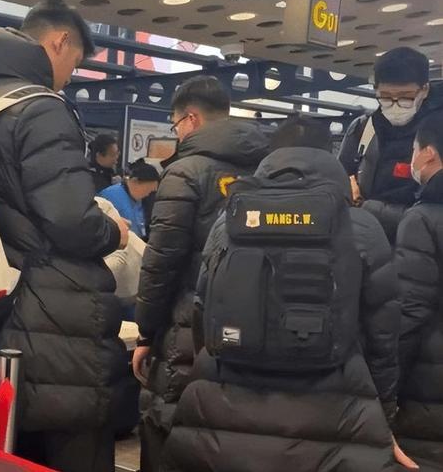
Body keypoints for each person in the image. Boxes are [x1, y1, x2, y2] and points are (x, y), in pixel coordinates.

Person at [163, 117, 412, 472]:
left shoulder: (229, 221)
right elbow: (383, 335)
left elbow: (202, 310)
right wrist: (383, 415)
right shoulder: (360, 227)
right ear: (328, 156)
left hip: (227, 405)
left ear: (272, 157)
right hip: (334, 412)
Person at [0, 0, 130, 472]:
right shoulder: (41, 108)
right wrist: (113, 233)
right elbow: (71, 221)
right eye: (75, 62)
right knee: (77, 442)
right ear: (59, 41)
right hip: (53, 310)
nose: (70, 76)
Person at [132, 75, 270, 471]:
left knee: (169, 423)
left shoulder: (185, 172)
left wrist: (145, 332)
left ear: (190, 119)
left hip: (185, 330)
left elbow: (161, 262)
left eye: (175, 125)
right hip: (251, 328)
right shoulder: (265, 169)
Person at [338, 47, 443, 243]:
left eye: (406, 97)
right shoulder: (363, 128)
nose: (395, 104)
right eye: (385, 97)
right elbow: (340, 177)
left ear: (425, 89)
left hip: (425, 247)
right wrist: (345, 189)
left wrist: (366, 208)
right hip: (366, 243)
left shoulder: (437, 132)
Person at [395, 112, 443, 469]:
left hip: (430, 380)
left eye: (414, 149)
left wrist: (384, 391)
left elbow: (410, 311)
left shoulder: (423, 219)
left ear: (428, 153)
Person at [99, 159, 160, 240]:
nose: (148, 194)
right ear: (135, 181)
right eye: (148, 189)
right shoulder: (109, 196)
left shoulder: (142, 201)